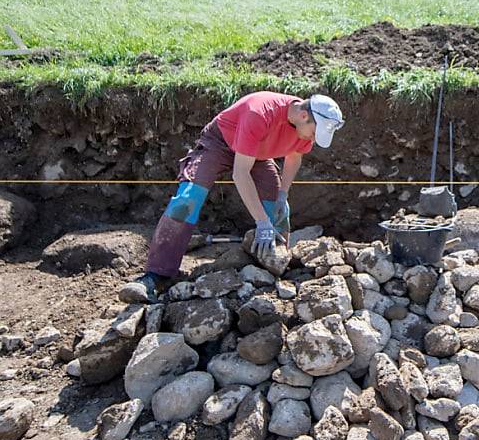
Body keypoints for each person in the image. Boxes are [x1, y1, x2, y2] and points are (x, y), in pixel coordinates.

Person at [119, 91, 344, 303]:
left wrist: (282, 195)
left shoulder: (304, 127)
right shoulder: (260, 113)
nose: (314, 139)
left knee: (275, 208)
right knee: (187, 200)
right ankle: (154, 276)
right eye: (315, 132)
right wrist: (261, 222)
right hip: (220, 143)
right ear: (304, 115)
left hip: (257, 153)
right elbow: (240, 173)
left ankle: (273, 269)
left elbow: (294, 158)